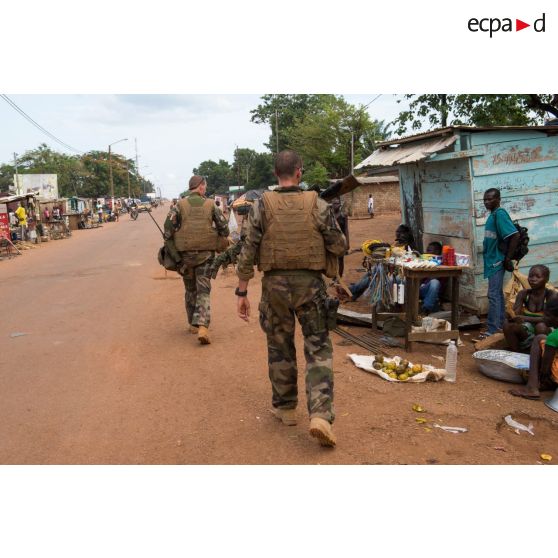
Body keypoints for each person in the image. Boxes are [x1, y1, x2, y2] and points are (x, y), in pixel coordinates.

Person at [236, 149, 346, 447]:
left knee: (279, 347)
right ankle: (321, 415)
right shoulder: (317, 203)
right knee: (318, 347)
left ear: (276, 175)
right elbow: (339, 244)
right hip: (310, 285)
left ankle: (286, 409)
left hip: (274, 288)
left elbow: (248, 250)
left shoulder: (261, 205)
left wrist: (242, 291)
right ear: (299, 172)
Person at [169, 175, 229, 345]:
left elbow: (168, 234)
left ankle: (192, 324)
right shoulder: (211, 205)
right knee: (203, 289)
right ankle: (203, 325)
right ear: (201, 187)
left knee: (190, 290)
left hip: (185, 258)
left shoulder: (179, 205)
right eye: (205, 186)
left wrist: (177, 259)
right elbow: (224, 229)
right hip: (205, 256)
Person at [482, 188, 520, 337]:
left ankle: (493, 329)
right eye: (485, 200)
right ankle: (500, 326)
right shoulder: (493, 215)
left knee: (493, 294)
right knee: (496, 294)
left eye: (490, 199)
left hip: (497, 261)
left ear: (498, 199)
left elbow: (514, 235)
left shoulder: (500, 214)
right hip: (492, 260)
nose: (487, 202)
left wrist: (507, 258)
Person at [509, 298, 558, 400]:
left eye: (547, 316)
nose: (544, 318)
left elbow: (546, 368)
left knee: (539, 338)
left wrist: (543, 376)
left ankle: (532, 387)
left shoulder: (554, 336)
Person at [503, 265, 556, 352]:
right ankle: (517, 353)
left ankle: (541, 352)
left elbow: (549, 319)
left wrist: (524, 318)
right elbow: (516, 313)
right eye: (531, 276)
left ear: (546, 279)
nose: (533, 279)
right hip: (528, 328)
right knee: (507, 325)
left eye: (538, 277)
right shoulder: (524, 294)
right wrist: (510, 315)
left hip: (548, 329)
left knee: (541, 327)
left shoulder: (550, 295)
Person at [419, 241, 444, 314]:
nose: (426, 253)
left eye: (429, 250)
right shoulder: (426, 262)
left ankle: (425, 309)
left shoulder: (442, 264)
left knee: (435, 282)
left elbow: (435, 279)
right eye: (427, 250)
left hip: (433, 292)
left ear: (437, 251)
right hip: (422, 289)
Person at [331, 197, 349, 277]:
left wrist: (347, 243)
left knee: (341, 260)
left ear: (340, 205)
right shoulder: (330, 216)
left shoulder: (343, 215)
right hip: (332, 240)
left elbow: (346, 229)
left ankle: (340, 277)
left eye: (337, 203)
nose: (335, 205)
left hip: (341, 241)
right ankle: (335, 276)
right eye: (334, 203)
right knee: (333, 260)